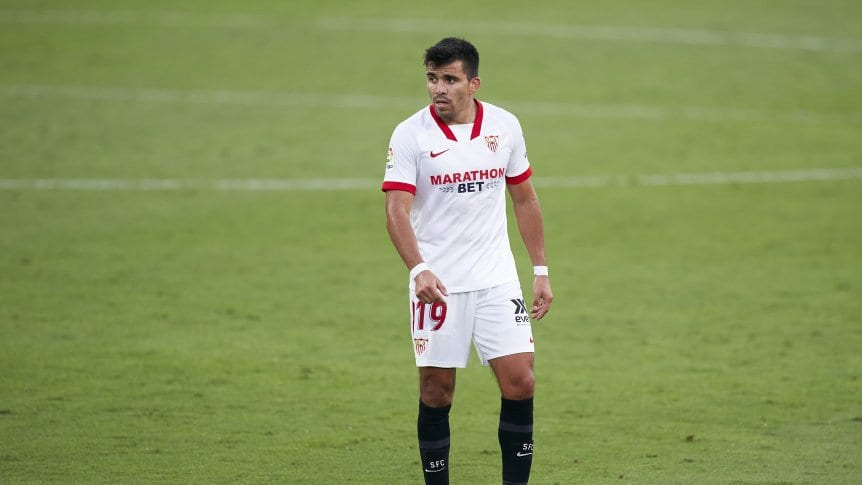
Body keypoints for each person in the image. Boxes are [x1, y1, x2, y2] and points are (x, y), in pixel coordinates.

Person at [382, 37, 553, 485]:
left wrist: (540, 270)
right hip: (438, 285)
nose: (438, 88)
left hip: (497, 278)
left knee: (521, 382)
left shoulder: (504, 126)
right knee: (436, 392)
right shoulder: (410, 135)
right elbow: (396, 210)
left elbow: (524, 198)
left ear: (473, 84)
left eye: (450, 79)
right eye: (432, 78)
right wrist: (418, 268)